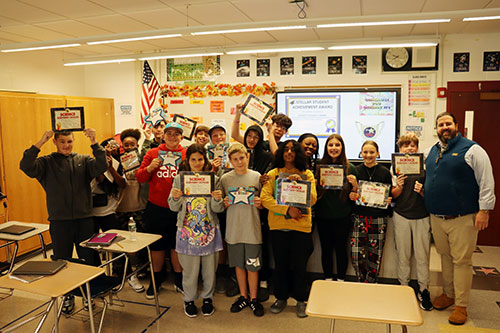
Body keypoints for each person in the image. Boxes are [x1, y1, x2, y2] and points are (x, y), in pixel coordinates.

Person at [20, 128, 107, 313]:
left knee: (87, 259)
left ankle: (87, 294)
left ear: (74, 141)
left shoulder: (84, 160)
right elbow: (25, 166)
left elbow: (102, 166)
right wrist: (40, 141)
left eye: (69, 141)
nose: (66, 145)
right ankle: (67, 297)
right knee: (61, 261)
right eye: (62, 142)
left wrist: (94, 142)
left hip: (84, 220)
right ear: (55, 142)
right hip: (60, 221)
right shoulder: (46, 163)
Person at [424, 112, 495, 325]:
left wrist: (485, 210)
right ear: (436, 129)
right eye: (440, 125)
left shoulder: (473, 150)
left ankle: (461, 305)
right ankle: (448, 294)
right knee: (445, 256)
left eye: (448, 123)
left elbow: (486, 181)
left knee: (462, 261)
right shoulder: (430, 151)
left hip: (463, 217)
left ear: (456, 125)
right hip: (436, 216)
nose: (444, 127)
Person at [260, 140, 317, 318]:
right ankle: (281, 298)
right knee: (281, 264)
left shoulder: (307, 174)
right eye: (286, 149)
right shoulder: (273, 173)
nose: (290, 152)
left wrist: (301, 184)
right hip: (278, 226)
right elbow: (265, 198)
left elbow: (313, 199)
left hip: (301, 227)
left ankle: (301, 300)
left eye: (293, 150)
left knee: (300, 265)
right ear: (281, 153)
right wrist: (287, 210)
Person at [168, 144, 224, 318]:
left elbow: (218, 208)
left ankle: (208, 298)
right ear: (188, 160)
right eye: (193, 159)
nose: (197, 163)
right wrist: (176, 197)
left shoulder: (213, 178)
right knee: (190, 269)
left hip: (209, 229)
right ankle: (189, 299)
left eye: (200, 159)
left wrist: (216, 199)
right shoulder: (179, 179)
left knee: (209, 268)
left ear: (205, 160)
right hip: (186, 230)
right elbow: (172, 206)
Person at [136, 122, 187, 299]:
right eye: (169, 133)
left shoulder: (186, 154)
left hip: (180, 208)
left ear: (182, 136)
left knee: (177, 245)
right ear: (163, 136)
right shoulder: (152, 153)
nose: (173, 136)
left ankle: (179, 279)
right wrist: (150, 168)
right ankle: (156, 278)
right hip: (156, 207)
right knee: (156, 245)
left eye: (176, 134)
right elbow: (140, 177)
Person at [220, 143, 265, 317]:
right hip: (233, 230)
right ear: (230, 161)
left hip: (252, 230)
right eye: (235, 159)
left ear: (247, 157)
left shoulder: (256, 177)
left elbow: (263, 202)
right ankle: (243, 296)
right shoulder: (225, 179)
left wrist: (261, 204)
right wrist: (223, 204)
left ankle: (254, 299)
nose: (239, 162)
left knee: (253, 266)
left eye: (242, 158)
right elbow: (220, 206)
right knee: (239, 265)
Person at [391, 133, 432, 311]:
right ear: (400, 149)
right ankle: (403, 288)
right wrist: (398, 187)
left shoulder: (425, 167)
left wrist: (423, 191)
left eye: (412, 145)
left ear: (417, 147)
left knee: (423, 257)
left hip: (422, 216)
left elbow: (432, 195)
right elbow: (393, 195)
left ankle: (424, 290)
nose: (409, 148)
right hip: (401, 215)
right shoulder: (395, 168)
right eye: (405, 145)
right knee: (403, 255)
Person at [314, 134, 358, 282]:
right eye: (330, 145)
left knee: (341, 249)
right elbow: (315, 193)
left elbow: (355, 196)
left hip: (342, 216)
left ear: (342, 147)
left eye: (337, 145)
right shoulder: (319, 167)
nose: (334, 148)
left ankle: (340, 279)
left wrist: (355, 185)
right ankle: (327, 278)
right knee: (325, 249)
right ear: (326, 148)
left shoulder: (350, 168)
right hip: (323, 216)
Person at [349, 140, 392, 283]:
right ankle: (362, 280)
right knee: (356, 254)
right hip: (359, 217)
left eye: (372, 152)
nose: (368, 155)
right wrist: (353, 194)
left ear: (378, 153)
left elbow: (389, 194)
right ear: (361, 153)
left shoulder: (385, 172)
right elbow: (351, 193)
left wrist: (388, 200)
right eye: (365, 152)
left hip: (378, 218)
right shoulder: (355, 170)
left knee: (375, 254)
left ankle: (371, 283)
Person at [115, 128, 148, 292]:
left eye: (132, 144)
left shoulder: (143, 160)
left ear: (137, 145)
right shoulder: (117, 161)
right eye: (126, 144)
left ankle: (141, 269)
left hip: (140, 206)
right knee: (123, 243)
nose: (129, 147)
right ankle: (125, 273)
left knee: (141, 240)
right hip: (121, 207)